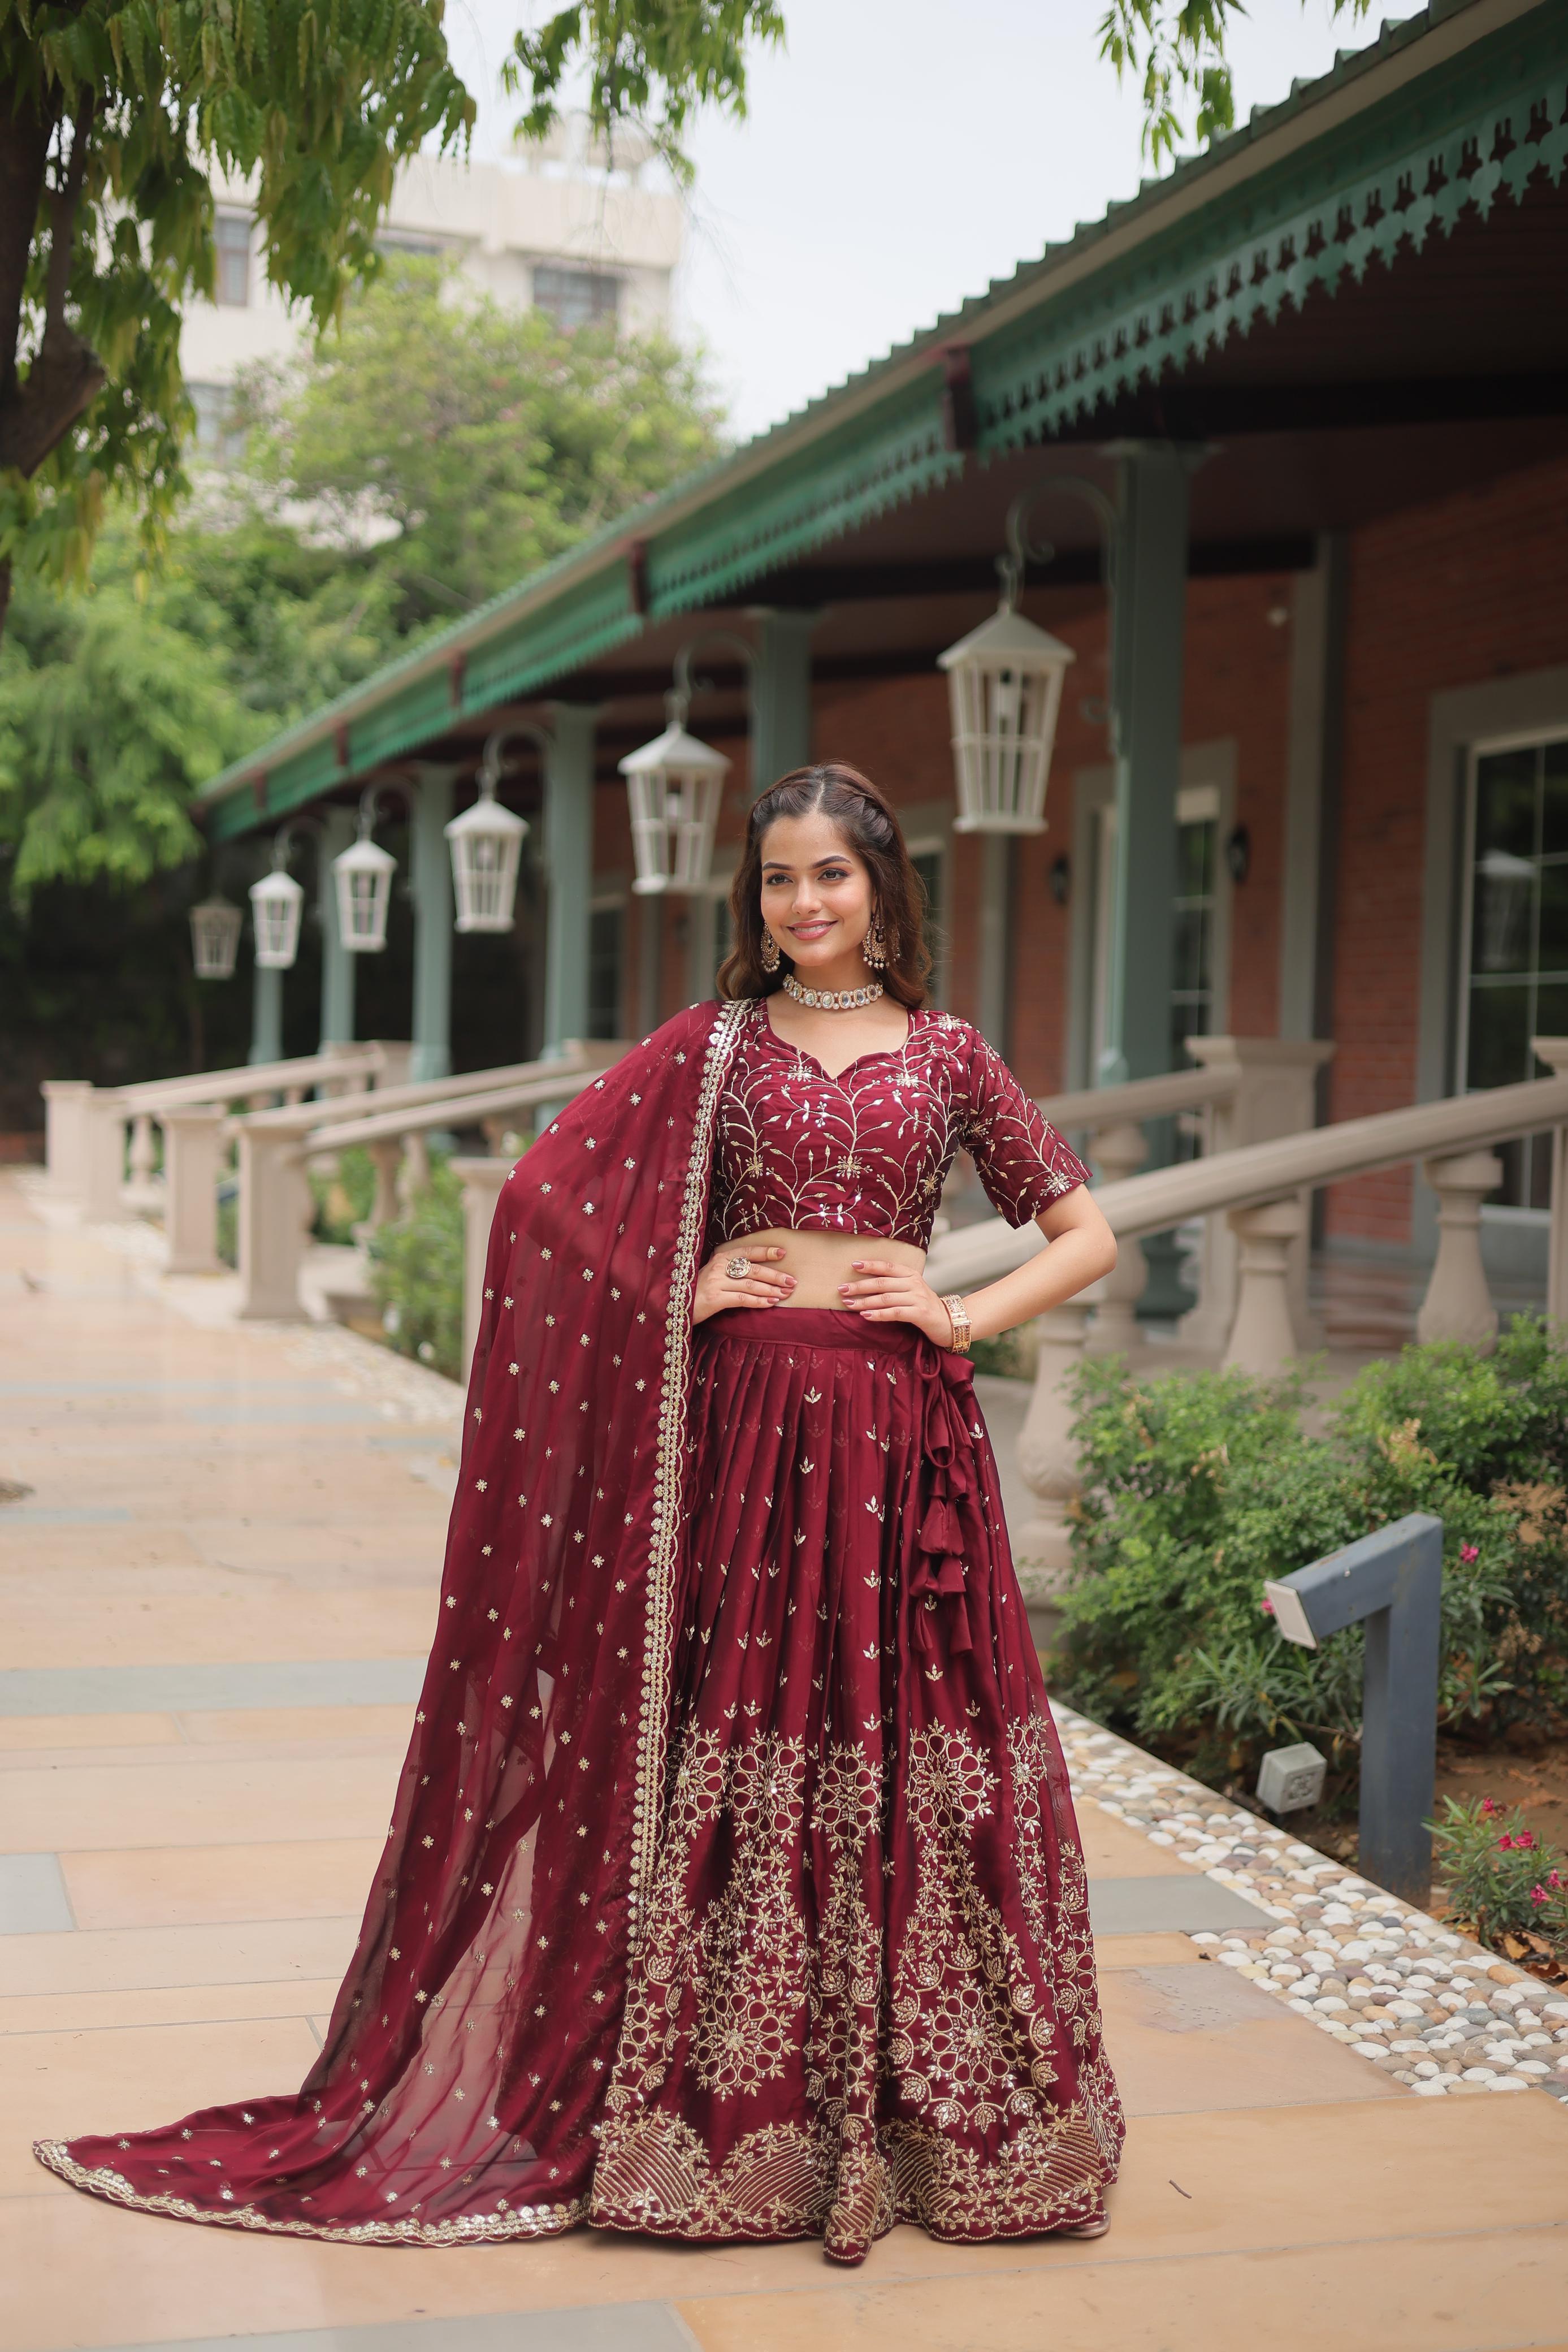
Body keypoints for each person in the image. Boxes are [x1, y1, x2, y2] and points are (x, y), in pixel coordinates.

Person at [36, 761, 1124, 2265]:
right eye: (780, 881)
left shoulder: (948, 1055)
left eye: (833, 876)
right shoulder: (714, 1046)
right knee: (735, 1735)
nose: (805, 905)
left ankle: (914, 2115)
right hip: (743, 1436)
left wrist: (960, 1311)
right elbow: (542, 1199)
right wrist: (681, 1289)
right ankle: (727, 2121)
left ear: (883, 885)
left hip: (894, 1439)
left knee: (895, 1743)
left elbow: (1088, 1231)